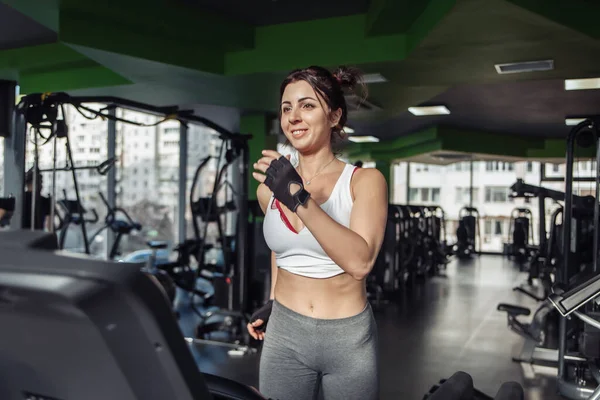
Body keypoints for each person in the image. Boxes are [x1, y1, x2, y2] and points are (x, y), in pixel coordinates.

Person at [248, 65, 388, 400]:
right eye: (286, 108)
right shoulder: (269, 189)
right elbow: (281, 249)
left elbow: (360, 262)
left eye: (307, 105)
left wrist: (297, 197)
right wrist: (272, 299)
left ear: (335, 116)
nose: (294, 116)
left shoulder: (363, 182)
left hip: (347, 338)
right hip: (284, 331)